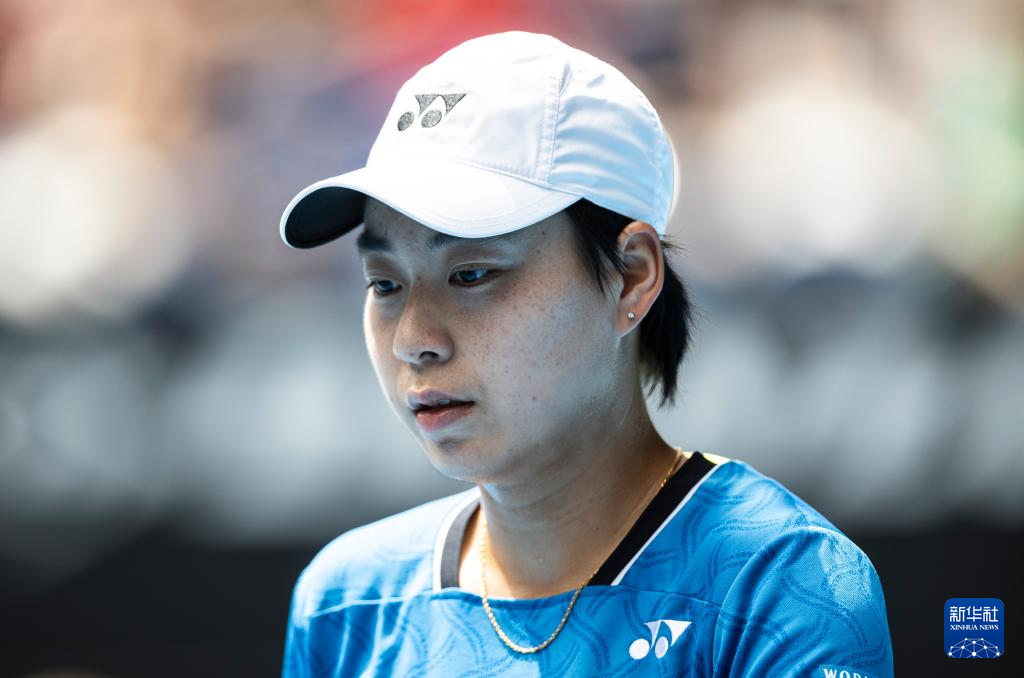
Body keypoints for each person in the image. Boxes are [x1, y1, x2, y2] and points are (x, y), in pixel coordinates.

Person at [278, 31, 894, 677]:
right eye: (384, 284)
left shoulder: (779, 587)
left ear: (632, 276)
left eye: (471, 274)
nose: (413, 339)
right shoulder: (348, 603)